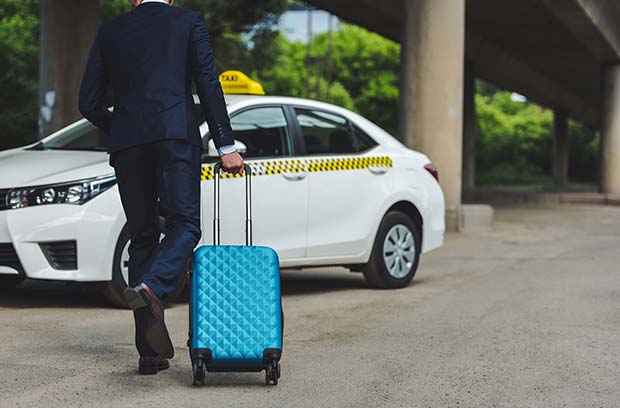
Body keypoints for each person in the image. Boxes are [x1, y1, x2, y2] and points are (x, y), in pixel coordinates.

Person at [78, 0, 244, 375]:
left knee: (142, 237)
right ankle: (153, 287)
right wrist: (226, 146)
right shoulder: (187, 21)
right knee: (185, 224)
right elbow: (206, 79)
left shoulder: (111, 30)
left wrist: (122, 126)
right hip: (174, 137)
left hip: (128, 145)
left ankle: (149, 354)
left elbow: (87, 103)